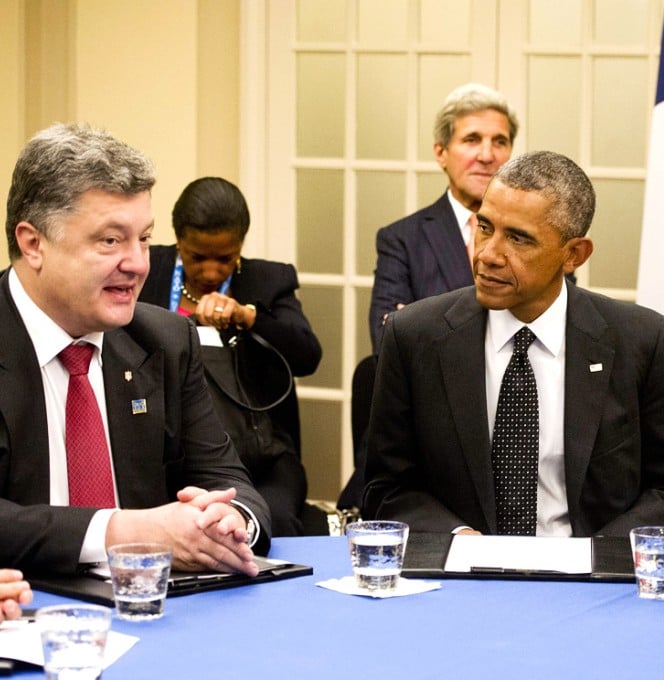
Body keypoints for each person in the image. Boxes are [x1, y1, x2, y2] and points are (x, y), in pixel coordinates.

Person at [362, 150, 664, 536]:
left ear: (574, 254)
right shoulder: (414, 335)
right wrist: (459, 539)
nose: (488, 255)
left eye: (519, 239)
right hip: (460, 583)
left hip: (589, 585)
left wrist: (590, 557)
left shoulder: (641, 340)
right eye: (486, 227)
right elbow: (385, 488)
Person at [0, 122, 270, 576]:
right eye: (110, 240)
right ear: (33, 244)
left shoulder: (164, 341)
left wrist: (229, 520)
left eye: (143, 238)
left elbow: (230, 482)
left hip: (152, 610)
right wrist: (121, 532)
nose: (138, 263)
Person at [138, 177, 323, 536]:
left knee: (277, 521)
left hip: (262, 457)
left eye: (225, 258)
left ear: (241, 244)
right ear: (178, 240)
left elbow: (307, 356)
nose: (210, 271)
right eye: (196, 257)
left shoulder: (268, 280)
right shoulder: (147, 271)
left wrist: (248, 316)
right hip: (164, 454)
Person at [367, 82, 519, 355]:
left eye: (500, 141)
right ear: (441, 153)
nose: (487, 155)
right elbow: (388, 343)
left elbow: (559, 330)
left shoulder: (540, 234)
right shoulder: (402, 239)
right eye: (472, 140)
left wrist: (426, 325)